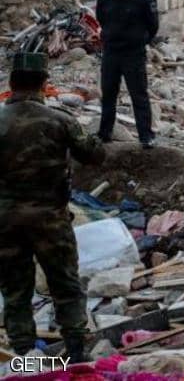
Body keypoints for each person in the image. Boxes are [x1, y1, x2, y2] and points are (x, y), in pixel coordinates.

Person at [0, 52, 107, 361]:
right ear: (45, 84)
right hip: (51, 220)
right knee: (65, 285)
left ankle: (24, 360)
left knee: (16, 291)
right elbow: (95, 155)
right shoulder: (60, 120)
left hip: (6, 221)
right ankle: (75, 355)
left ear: (11, 83)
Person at [95, 0, 158, 148]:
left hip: (133, 54)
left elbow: (153, 27)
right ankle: (105, 133)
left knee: (139, 95)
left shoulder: (144, 0)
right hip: (111, 52)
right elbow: (101, 18)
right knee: (108, 94)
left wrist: (139, 40)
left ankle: (146, 136)